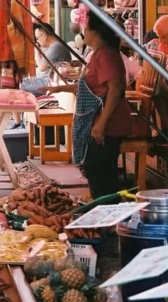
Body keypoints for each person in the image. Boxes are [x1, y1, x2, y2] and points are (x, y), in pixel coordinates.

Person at [45, 10, 132, 199]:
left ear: (96, 33)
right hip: (101, 123)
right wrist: (60, 89)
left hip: (108, 124)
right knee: (97, 170)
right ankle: (106, 215)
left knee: (99, 171)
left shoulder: (106, 54)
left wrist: (101, 124)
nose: (84, 32)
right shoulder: (99, 54)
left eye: (87, 28)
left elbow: (115, 88)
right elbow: (90, 88)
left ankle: (108, 216)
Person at [20, 23, 72, 97]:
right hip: (46, 80)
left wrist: (36, 52)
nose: (37, 41)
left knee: (19, 84)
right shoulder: (55, 46)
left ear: (44, 36)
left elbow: (42, 67)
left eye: (37, 38)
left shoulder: (56, 47)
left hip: (48, 82)